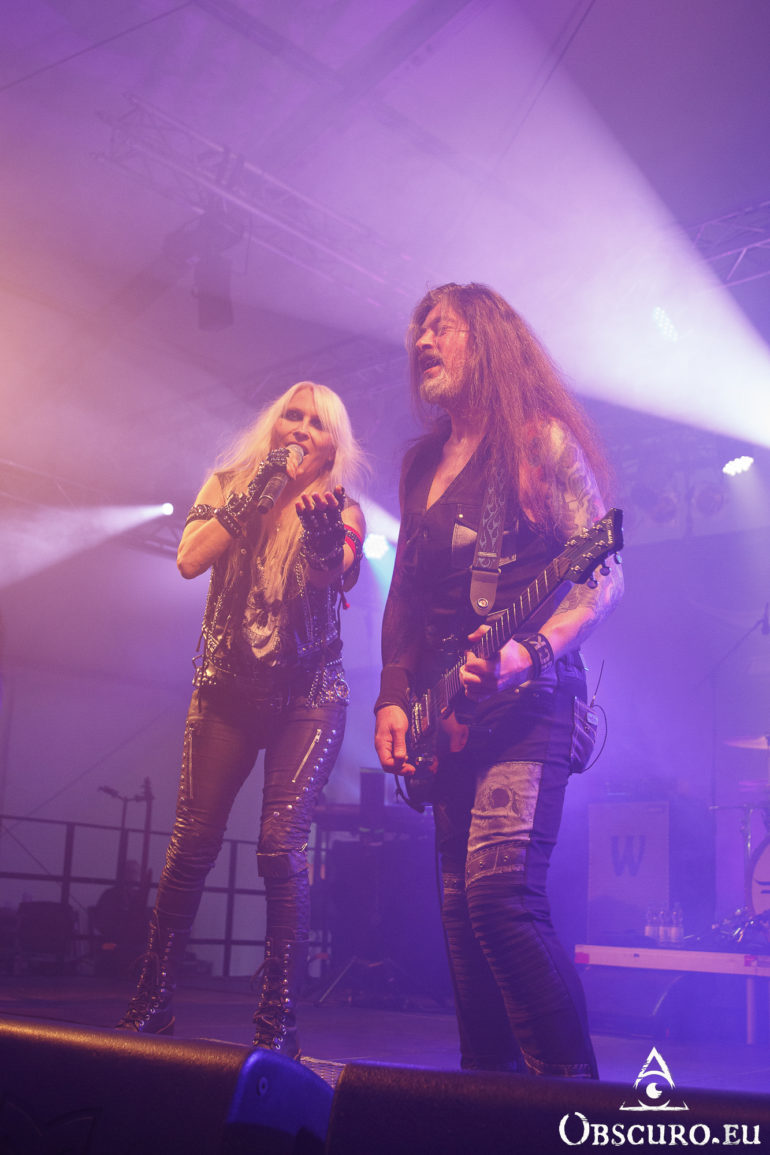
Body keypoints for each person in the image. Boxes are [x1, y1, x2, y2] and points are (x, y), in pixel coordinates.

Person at [374, 283, 623, 1079]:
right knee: (459, 913)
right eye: (419, 329)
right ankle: (487, 1101)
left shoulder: (539, 442)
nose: (423, 340)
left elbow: (603, 575)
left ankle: (574, 1101)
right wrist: (392, 694)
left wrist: (529, 652)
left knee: (499, 897)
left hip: (532, 701)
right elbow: (406, 594)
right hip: (447, 715)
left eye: (441, 327)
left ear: (485, 341)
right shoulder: (421, 464)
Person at [117, 381, 366, 1057]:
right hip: (226, 691)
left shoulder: (340, 507)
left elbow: (334, 574)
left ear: (331, 446)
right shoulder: (230, 482)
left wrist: (322, 538)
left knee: (279, 846)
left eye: (317, 423)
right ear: (274, 425)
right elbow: (189, 559)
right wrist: (257, 489)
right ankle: (152, 999)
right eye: (293, 415)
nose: (302, 428)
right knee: (192, 844)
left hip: (309, 696)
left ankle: (277, 1017)